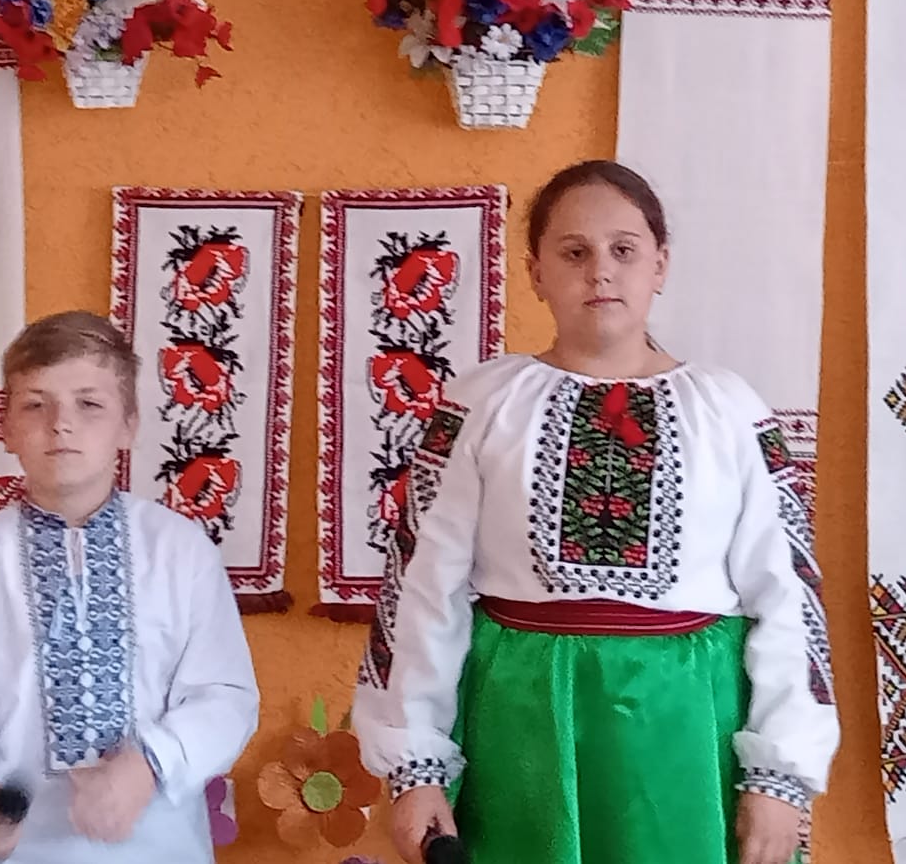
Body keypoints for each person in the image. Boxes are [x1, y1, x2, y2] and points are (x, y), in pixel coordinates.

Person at [351, 160, 838, 864]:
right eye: (574, 252)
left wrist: (780, 777)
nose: (600, 271)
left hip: (686, 732)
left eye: (624, 250)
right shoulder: (481, 405)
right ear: (535, 272)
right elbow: (423, 589)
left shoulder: (731, 411)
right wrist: (415, 765)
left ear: (660, 265)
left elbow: (788, 595)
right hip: (520, 725)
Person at [0, 310, 260, 864]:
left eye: (89, 404)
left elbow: (226, 697)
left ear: (129, 425)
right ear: (6, 428)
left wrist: (147, 766)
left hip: (160, 849)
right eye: (35, 404)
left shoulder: (181, 552)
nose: (61, 424)